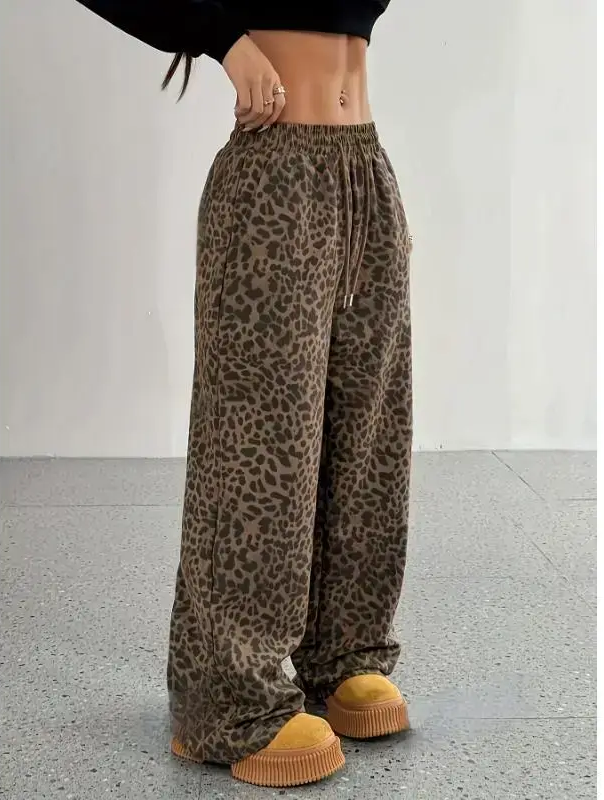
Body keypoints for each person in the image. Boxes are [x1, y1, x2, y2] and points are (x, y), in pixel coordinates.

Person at [76, 1, 413, 788]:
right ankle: (226, 702)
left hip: (365, 168)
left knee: (368, 430)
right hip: (274, 177)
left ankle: (343, 656)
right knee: (261, 444)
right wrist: (221, 38)